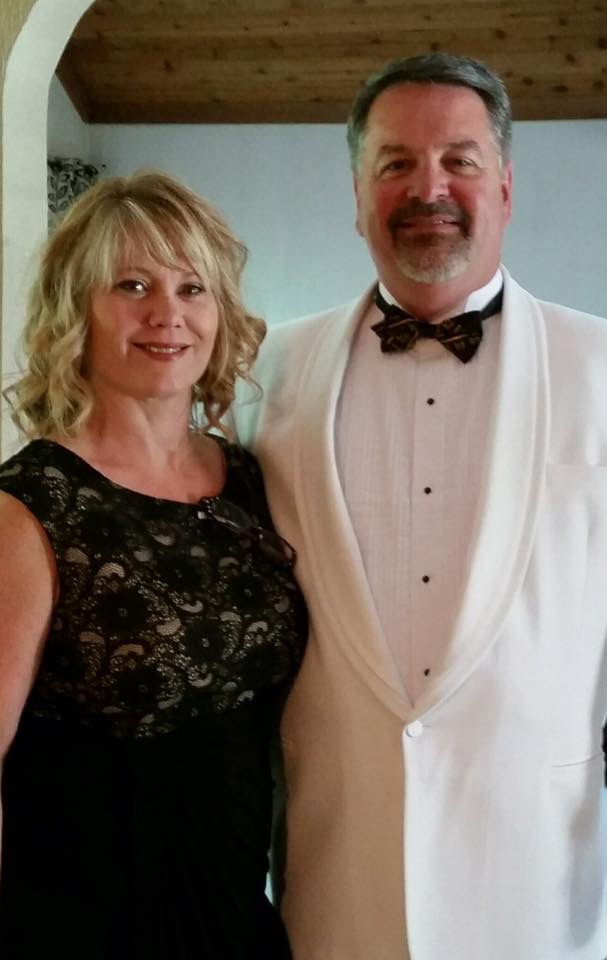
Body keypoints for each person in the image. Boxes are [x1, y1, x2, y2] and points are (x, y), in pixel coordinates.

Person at [233, 53, 607, 960]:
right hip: (333, 863)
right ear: (356, 194)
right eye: (394, 163)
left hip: (534, 868)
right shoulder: (260, 372)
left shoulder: (600, 366)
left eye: (458, 161)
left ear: (505, 187)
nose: (427, 188)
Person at [0, 170, 306, 959]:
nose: (167, 313)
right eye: (131, 285)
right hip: (84, 927)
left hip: (236, 914)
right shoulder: (29, 505)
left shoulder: (246, 477)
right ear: (77, 309)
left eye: (191, 288)